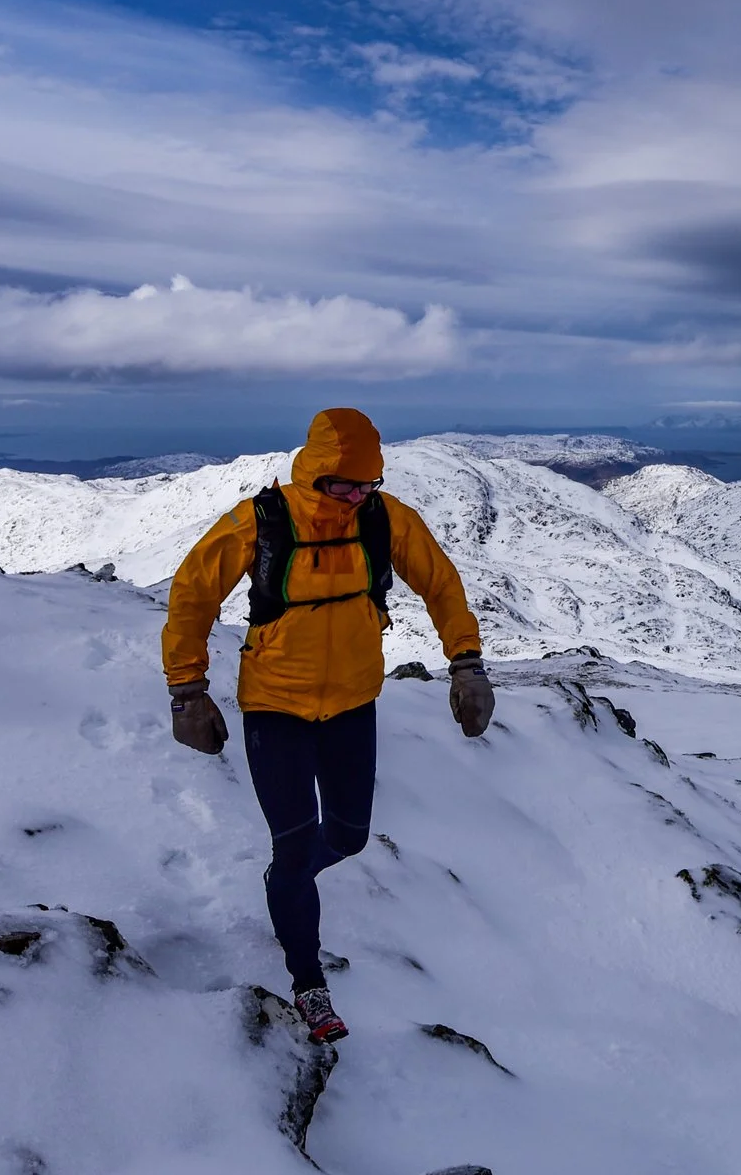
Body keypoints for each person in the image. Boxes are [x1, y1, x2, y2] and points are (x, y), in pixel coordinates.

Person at [162, 407, 493, 1045]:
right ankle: (308, 979)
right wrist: (186, 691)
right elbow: (192, 595)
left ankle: (287, 888)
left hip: (352, 703)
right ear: (313, 473)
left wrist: (467, 663)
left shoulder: (383, 517)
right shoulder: (261, 521)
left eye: (367, 483)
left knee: (349, 837)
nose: (356, 496)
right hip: (274, 707)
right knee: (294, 848)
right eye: (343, 485)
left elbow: (442, 585)